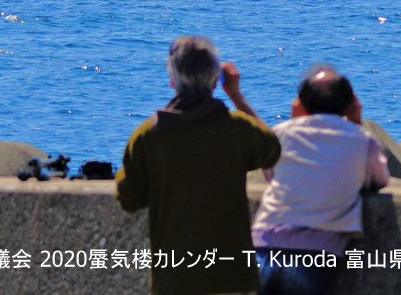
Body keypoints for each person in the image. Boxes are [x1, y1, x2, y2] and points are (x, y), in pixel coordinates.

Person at [115, 36, 281, 295]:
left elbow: (128, 197)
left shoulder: (147, 137)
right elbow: (272, 149)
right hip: (233, 278)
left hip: (175, 279)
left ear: (172, 79)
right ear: (216, 80)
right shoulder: (238, 129)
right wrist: (235, 94)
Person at [236, 63, 390, 295]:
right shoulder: (362, 140)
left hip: (265, 241)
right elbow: (381, 179)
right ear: (350, 104)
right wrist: (356, 123)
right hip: (318, 252)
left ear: (302, 103)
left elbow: (272, 174)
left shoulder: (282, 132)